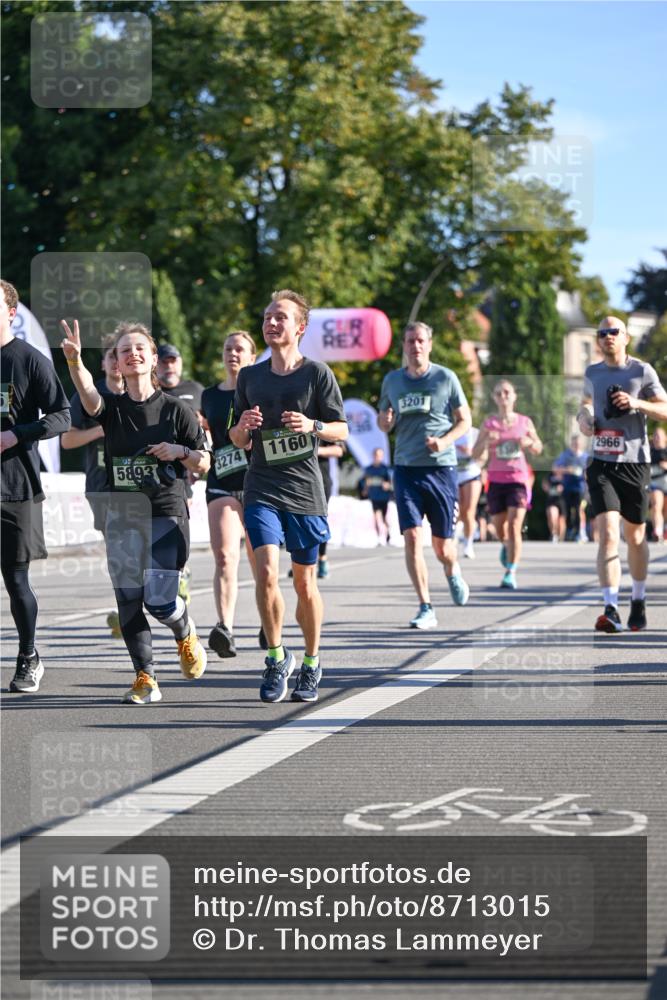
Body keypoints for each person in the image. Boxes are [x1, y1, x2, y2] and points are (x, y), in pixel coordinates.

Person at [61, 319, 211, 703]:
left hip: (165, 512)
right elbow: (90, 400)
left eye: (140, 348)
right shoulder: (110, 409)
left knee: (160, 600)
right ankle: (145, 677)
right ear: (119, 363)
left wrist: (180, 452)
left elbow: (204, 463)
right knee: (128, 597)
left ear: (153, 359)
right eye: (125, 350)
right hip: (122, 513)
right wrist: (76, 363)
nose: (132, 354)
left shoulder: (177, 411)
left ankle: (184, 630)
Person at [230, 289, 348, 704]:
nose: (271, 323)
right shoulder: (250, 377)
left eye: (280, 316)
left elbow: (341, 430)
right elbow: (237, 437)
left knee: (304, 583)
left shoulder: (316, 374)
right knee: (264, 572)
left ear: (300, 326)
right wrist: (243, 425)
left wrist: (313, 426)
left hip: (304, 491)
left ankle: (313, 662)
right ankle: (276, 658)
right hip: (261, 485)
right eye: (267, 316)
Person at [377, 321, 471, 629]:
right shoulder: (392, 381)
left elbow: (465, 421)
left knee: (443, 546)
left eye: (420, 341)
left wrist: (444, 441)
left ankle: (452, 568)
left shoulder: (446, 377)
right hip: (405, 468)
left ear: (429, 344)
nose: (415, 346)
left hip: (441, 468)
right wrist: (386, 420)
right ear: (403, 346)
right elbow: (383, 423)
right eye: (409, 341)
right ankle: (425, 606)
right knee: (413, 537)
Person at [1, 279, 71, 692]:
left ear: (12, 312)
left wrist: (18, 434)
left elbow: (62, 416)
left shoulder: (28, 360)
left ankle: (28, 656)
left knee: (15, 581)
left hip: (15, 486)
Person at [577, 316, 667, 632]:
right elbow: (585, 405)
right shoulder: (592, 372)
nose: (607, 337)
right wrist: (584, 419)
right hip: (601, 461)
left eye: (613, 332)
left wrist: (635, 403)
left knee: (636, 535)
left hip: (635, 462)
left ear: (625, 337)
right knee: (609, 532)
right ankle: (611, 607)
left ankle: (638, 598)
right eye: (602, 333)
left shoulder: (641, 370)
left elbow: (664, 408)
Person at [60, 334, 124, 636]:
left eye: (118, 355)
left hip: (138, 487)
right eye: (109, 355)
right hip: (101, 486)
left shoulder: (140, 394)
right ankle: (125, 605)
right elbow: (67, 439)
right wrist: (98, 433)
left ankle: (158, 591)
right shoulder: (88, 395)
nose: (115, 361)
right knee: (116, 551)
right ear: (102, 362)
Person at [201, 330, 257, 658]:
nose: (232, 354)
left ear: (252, 356)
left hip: (257, 482)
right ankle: (226, 628)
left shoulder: (259, 389)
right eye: (228, 349)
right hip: (221, 479)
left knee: (260, 560)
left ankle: (268, 618)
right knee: (225, 557)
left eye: (240, 349)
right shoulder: (209, 396)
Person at [473, 380, 543, 589]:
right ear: (494, 398)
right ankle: (506, 545)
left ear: (514, 397)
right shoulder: (489, 424)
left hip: (518, 480)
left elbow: (538, 447)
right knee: (499, 528)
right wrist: (486, 442)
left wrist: (529, 443)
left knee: (514, 527)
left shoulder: (524, 422)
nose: (503, 396)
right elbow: (475, 454)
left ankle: (511, 571)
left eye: (507, 392)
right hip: (496, 480)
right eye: (499, 393)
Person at [156, 343, 205, 603]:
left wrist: (200, 423)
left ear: (181, 363)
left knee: (177, 522)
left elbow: (212, 427)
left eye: (173, 361)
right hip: (154, 470)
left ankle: (181, 572)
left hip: (184, 467)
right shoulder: (148, 392)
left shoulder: (195, 390)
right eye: (164, 362)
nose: (169, 366)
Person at [315, 440, 345, 577]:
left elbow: (339, 450)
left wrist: (315, 450)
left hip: (321, 480)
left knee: (319, 520)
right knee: (297, 520)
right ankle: (299, 562)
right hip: (296, 480)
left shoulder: (322, 421)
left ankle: (322, 558)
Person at [554, 434, 589, 541]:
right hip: (567, 487)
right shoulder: (565, 455)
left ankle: (579, 532)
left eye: (578, 443)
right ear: (571, 443)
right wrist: (567, 470)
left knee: (579, 509)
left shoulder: (586, 457)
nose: (576, 445)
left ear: (582, 444)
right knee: (567, 511)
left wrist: (585, 474)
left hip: (580, 488)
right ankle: (570, 530)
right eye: (574, 443)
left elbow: (590, 472)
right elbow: (555, 468)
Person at [455, 427, 482, 558]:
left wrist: (471, 452)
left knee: (469, 511)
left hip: (471, 474)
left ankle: (468, 544)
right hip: (454, 475)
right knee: (458, 511)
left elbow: (484, 455)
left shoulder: (475, 433)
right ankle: (454, 539)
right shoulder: (449, 430)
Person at [362, 446, 393, 545]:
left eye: (380, 455)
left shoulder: (385, 469)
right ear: (373, 456)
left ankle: (388, 534)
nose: (378, 457)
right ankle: (378, 536)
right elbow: (366, 481)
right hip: (374, 496)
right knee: (376, 517)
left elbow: (390, 483)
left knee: (384, 517)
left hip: (383, 497)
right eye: (376, 455)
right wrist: (365, 489)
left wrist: (387, 485)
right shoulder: (368, 469)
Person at [648, 426, 667, 543]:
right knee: (656, 505)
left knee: (665, 511)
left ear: (665, 438)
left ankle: (664, 529)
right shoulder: (649, 452)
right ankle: (657, 531)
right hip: (655, 484)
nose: (657, 438)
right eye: (655, 435)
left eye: (659, 435)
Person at [542, 469, 565, 543]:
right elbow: (544, 485)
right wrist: (549, 489)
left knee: (561, 521)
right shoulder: (549, 476)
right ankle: (553, 534)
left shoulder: (564, 474)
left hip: (562, 500)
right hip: (551, 500)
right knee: (551, 516)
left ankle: (561, 538)